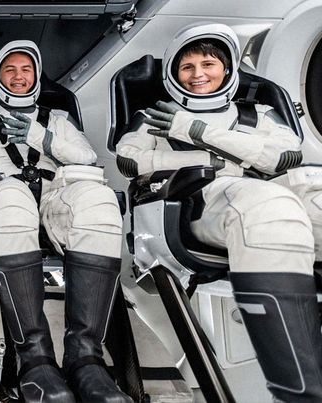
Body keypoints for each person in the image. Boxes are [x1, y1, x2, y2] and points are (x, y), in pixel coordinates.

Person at [116, 23, 322, 401]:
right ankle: (301, 393)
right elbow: (130, 161)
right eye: (187, 67)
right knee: (267, 208)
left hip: (268, 189)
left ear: (226, 69)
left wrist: (199, 131)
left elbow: (285, 157)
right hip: (198, 202)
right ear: (173, 73)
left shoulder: (257, 113)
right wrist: (208, 160)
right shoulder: (155, 116)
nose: (198, 74)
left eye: (208, 64)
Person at [0, 40, 129, 403]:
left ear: (36, 76)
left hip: (54, 197)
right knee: (11, 196)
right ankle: (34, 358)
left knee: (100, 200)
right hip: (3, 196)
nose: (18, 76)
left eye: (26, 69)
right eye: (9, 70)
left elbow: (86, 157)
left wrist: (40, 138)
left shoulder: (58, 119)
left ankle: (85, 358)